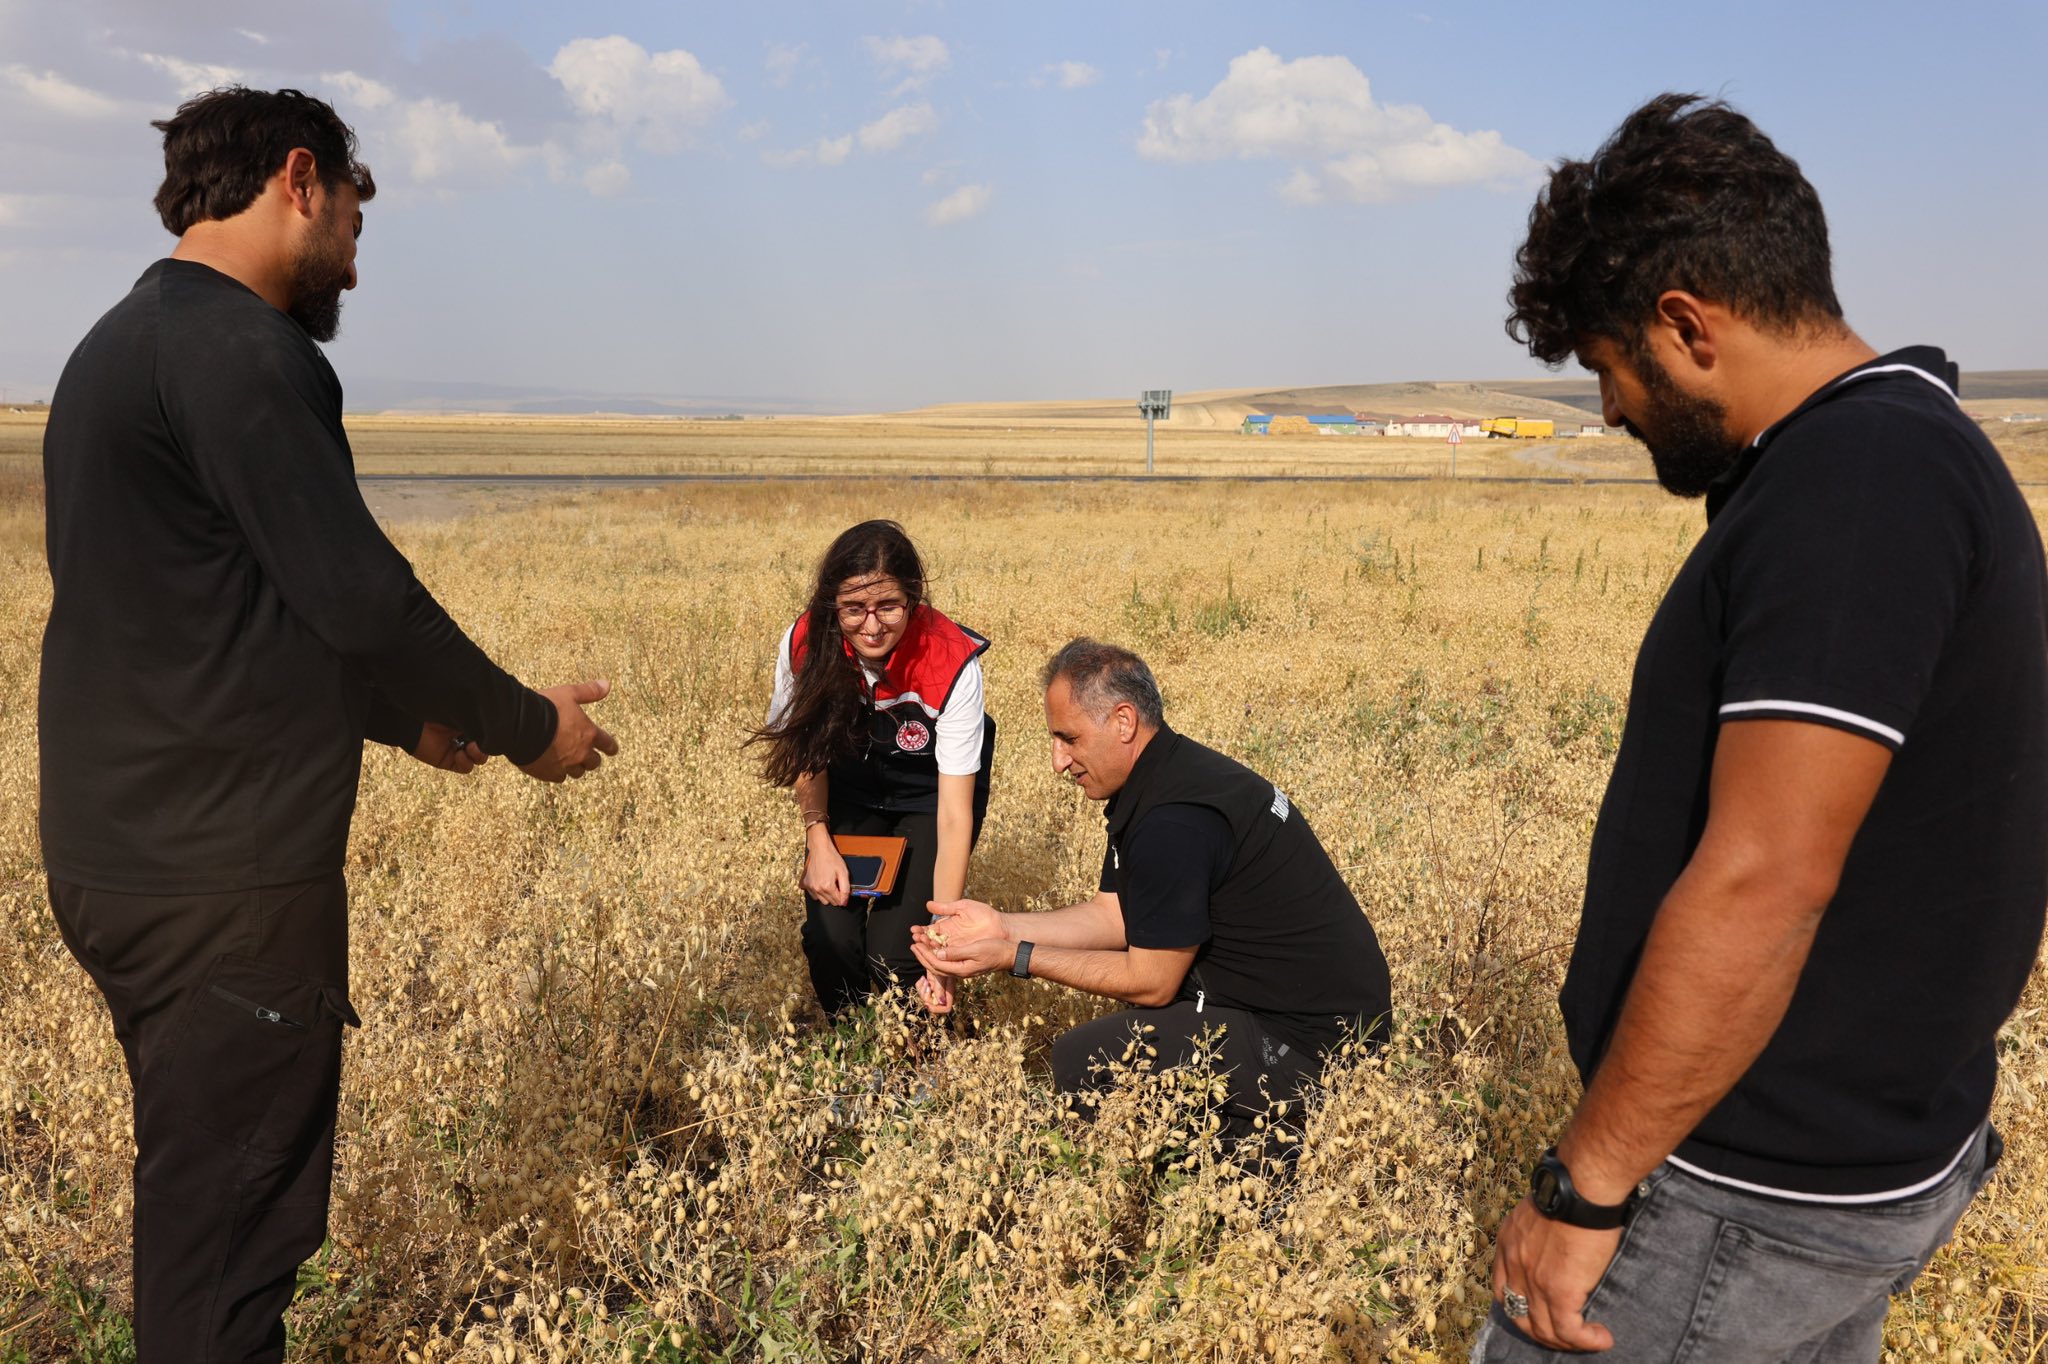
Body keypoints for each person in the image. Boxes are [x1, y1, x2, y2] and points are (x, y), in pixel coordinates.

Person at [38, 87, 619, 1363]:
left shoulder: (111, 348)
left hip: (118, 862)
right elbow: (360, 594)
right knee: (232, 1256)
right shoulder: (249, 355)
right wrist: (528, 727)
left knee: (196, 1205)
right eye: (357, 208)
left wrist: (405, 725)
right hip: (226, 888)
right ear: (300, 178)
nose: (361, 242)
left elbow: (222, 604)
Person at [1475, 94, 2047, 1362]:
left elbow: (1764, 877)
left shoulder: (1853, 486)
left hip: (1742, 1181)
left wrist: (1586, 1185)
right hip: (1840, 1160)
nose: (1611, 412)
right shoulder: (1901, 453)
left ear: (1684, 324)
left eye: (1605, 369)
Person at [911, 638, 1392, 1144]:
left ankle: (1262, 1158)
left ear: (1123, 722)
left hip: (1318, 1046)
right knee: (1129, 1039)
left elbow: (1152, 981)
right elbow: (1114, 915)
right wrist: (1003, 925)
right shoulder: (1167, 775)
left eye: (1068, 738)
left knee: (1084, 1062)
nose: (1057, 761)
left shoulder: (1173, 822)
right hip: (1306, 1019)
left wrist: (1016, 955)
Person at [755, 520, 995, 1017]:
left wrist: (940, 941)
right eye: (852, 609)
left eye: (888, 606)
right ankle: (852, 1054)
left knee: (897, 956)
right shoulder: (805, 642)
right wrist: (817, 840)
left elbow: (954, 815)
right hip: (848, 789)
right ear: (831, 605)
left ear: (913, 598)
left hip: (929, 799)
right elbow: (806, 751)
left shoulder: (952, 660)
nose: (871, 625)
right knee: (830, 940)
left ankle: (909, 1066)